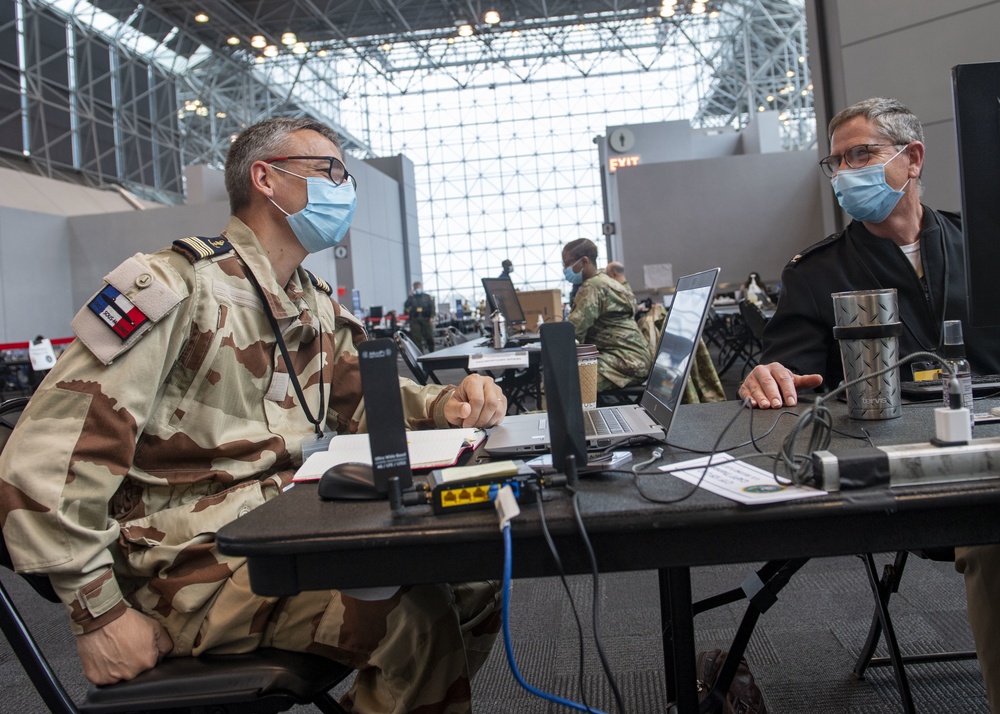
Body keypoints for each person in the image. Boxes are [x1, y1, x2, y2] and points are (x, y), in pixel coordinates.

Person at [0, 117, 507, 714]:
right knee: (415, 624)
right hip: (192, 570)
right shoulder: (174, 289)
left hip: (287, 532)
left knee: (475, 577)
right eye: (331, 171)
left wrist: (449, 404)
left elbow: (363, 401)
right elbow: (43, 464)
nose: (345, 187)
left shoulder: (311, 302)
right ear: (266, 179)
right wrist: (98, 614)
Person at [737, 97, 1000, 709]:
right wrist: (767, 375)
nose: (845, 172)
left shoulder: (981, 244)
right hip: (910, 473)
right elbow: (789, 376)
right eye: (836, 162)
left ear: (913, 159)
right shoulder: (815, 273)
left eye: (861, 154)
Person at [562, 238, 651, 391]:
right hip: (634, 358)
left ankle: (561, 415)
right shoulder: (607, 281)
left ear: (584, 261)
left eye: (568, 263)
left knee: (565, 382)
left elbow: (575, 331)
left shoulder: (592, 287)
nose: (565, 268)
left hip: (623, 361)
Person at [403, 281, 435, 353]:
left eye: (418, 287)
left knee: (429, 337)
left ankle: (432, 351)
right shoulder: (412, 297)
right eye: (415, 287)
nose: (417, 288)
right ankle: (420, 354)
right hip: (415, 319)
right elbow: (406, 305)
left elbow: (432, 307)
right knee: (416, 338)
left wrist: (432, 317)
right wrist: (409, 297)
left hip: (426, 319)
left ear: (421, 287)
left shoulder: (427, 297)